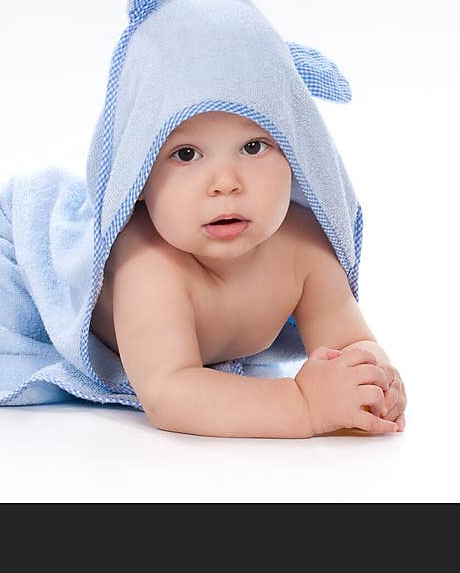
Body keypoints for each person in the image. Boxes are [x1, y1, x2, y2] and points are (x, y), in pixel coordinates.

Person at [89, 110, 407, 438]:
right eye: (186, 154)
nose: (226, 183)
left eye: (253, 147)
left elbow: (350, 342)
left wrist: (374, 382)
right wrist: (303, 404)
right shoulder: (147, 262)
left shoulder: (303, 246)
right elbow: (168, 392)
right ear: (139, 177)